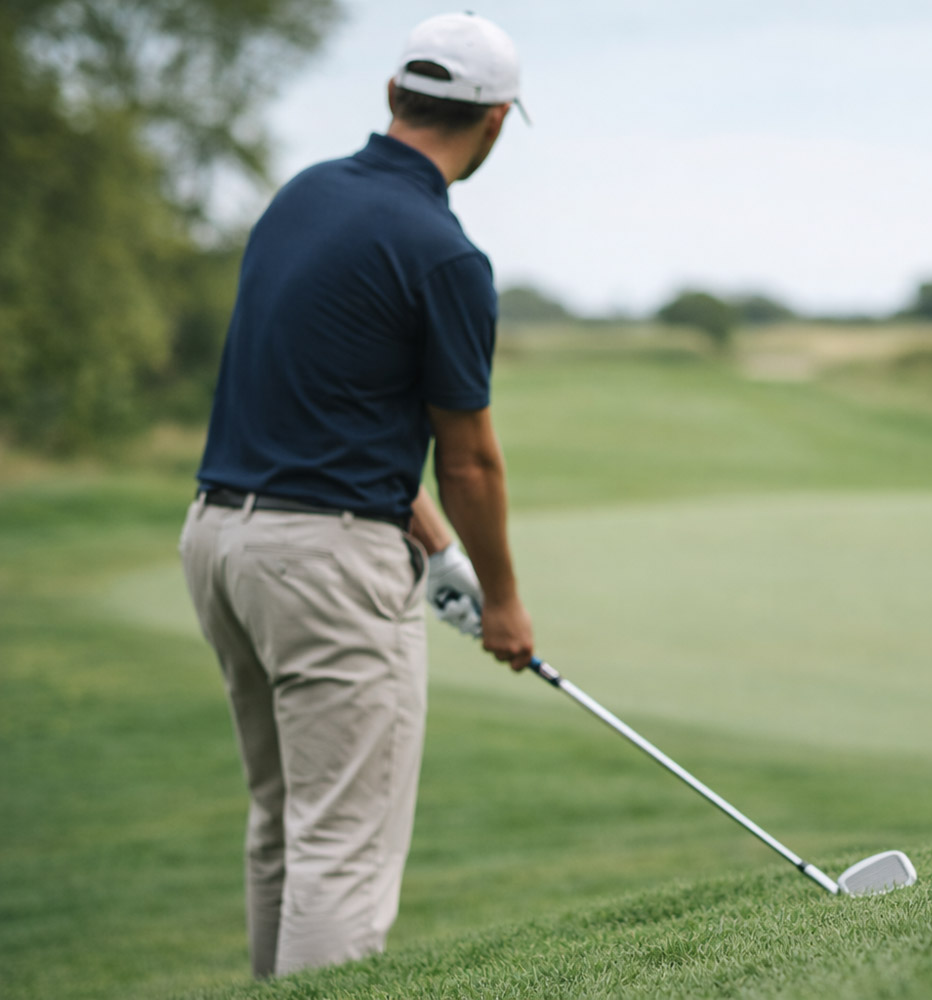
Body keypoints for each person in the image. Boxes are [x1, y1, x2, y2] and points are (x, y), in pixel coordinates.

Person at [178, 12, 534, 979]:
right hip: (322, 566)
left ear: (392, 96)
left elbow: (326, 411)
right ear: (497, 121)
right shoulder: (444, 253)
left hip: (219, 539)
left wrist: (440, 555)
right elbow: (468, 462)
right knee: (342, 851)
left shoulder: (301, 197)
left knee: (287, 825)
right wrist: (502, 601)